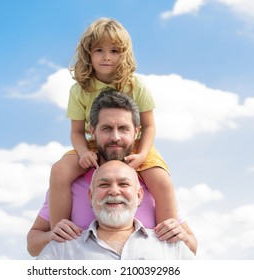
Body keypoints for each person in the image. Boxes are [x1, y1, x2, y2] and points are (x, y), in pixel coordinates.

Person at [27, 89, 198, 256]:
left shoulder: (154, 184)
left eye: (124, 128)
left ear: (136, 132)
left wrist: (183, 237)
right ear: (92, 131)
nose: (115, 137)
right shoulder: (70, 183)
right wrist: (52, 236)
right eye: (107, 128)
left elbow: (190, 248)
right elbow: (33, 245)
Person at [49, 17, 178, 235]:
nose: (106, 57)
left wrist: (143, 154)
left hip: (135, 145)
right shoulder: (79, 90)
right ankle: (60, 233)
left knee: (161, 180)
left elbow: (148, 127)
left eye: (114, 51)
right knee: (59, 171)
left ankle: (169, 235)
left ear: (124, 54)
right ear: (88, 53)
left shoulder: (136, 85)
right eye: (99, 50)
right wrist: (82, 153)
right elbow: (77, 131)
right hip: (94, 144)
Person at [37, 160, 195, 260]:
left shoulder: (171, 246)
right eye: (104, 185)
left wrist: (184, 239)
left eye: (124, 184)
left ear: (139, 195)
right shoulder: (62, 249)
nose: (114, 191)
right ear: (90, 196)